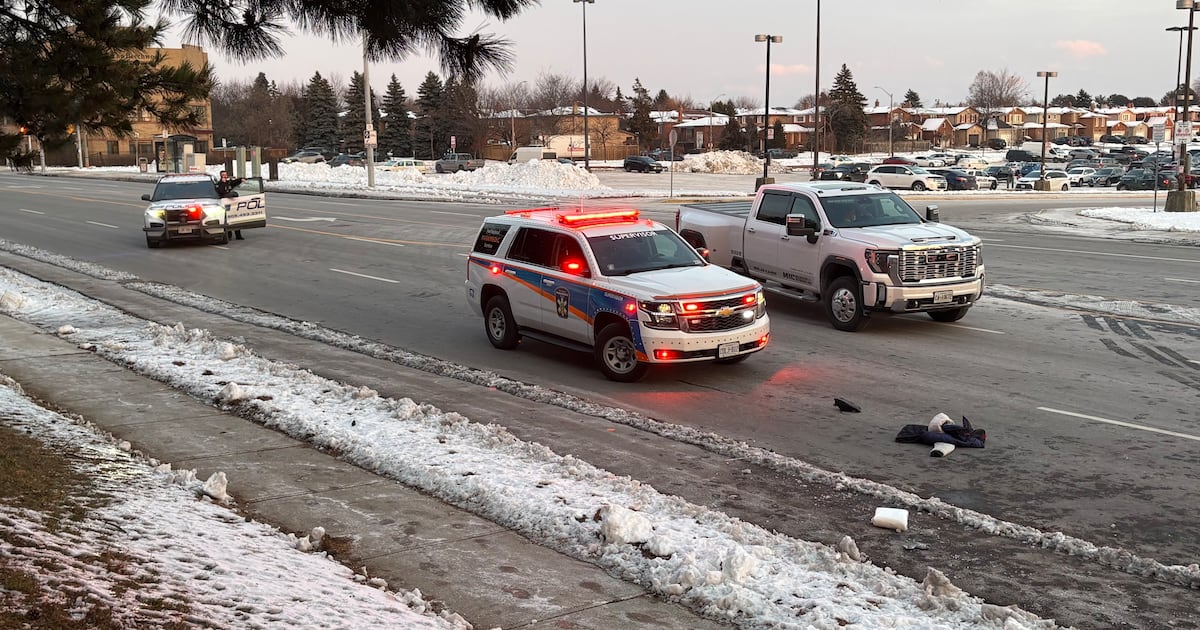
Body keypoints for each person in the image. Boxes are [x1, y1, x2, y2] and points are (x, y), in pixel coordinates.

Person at [215, 170, 245, 240]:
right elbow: (221, 192)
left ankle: (238, 235)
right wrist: (223, 183)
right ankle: (229, 235)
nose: (225, 176)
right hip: (225, 205)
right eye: (223, 175)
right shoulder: (218, 184)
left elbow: (234, 182)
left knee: (235, 219)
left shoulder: (229, 183)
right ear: (221, 176)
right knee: (227, 220)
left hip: (233, 204)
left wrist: (241, 180)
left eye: (225, 175)